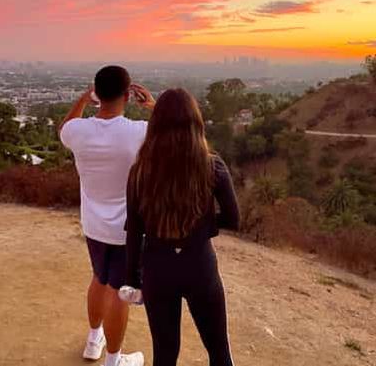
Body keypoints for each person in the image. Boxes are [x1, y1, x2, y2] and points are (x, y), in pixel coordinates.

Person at [123, 88, 240, 366]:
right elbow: (234, 220)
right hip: (199, 265)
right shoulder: (212, 166)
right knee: (219, 352)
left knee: (164, 354)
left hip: (157, 268)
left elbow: (134, 230)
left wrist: (132, 277)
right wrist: (201, 227)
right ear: (196, 122)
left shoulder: (140, 171)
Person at [59, 65, 155, 366]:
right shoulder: (138, 133)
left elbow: (66, 126)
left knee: (99, 280)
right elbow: (182, 129)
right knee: (120, 291)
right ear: (128, 95)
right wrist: (153, 105)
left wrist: (83, 100)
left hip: (93, 226)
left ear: (97, 93)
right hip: (128, 230)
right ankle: (114, 361)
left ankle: (93, 341)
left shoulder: (78, 132)